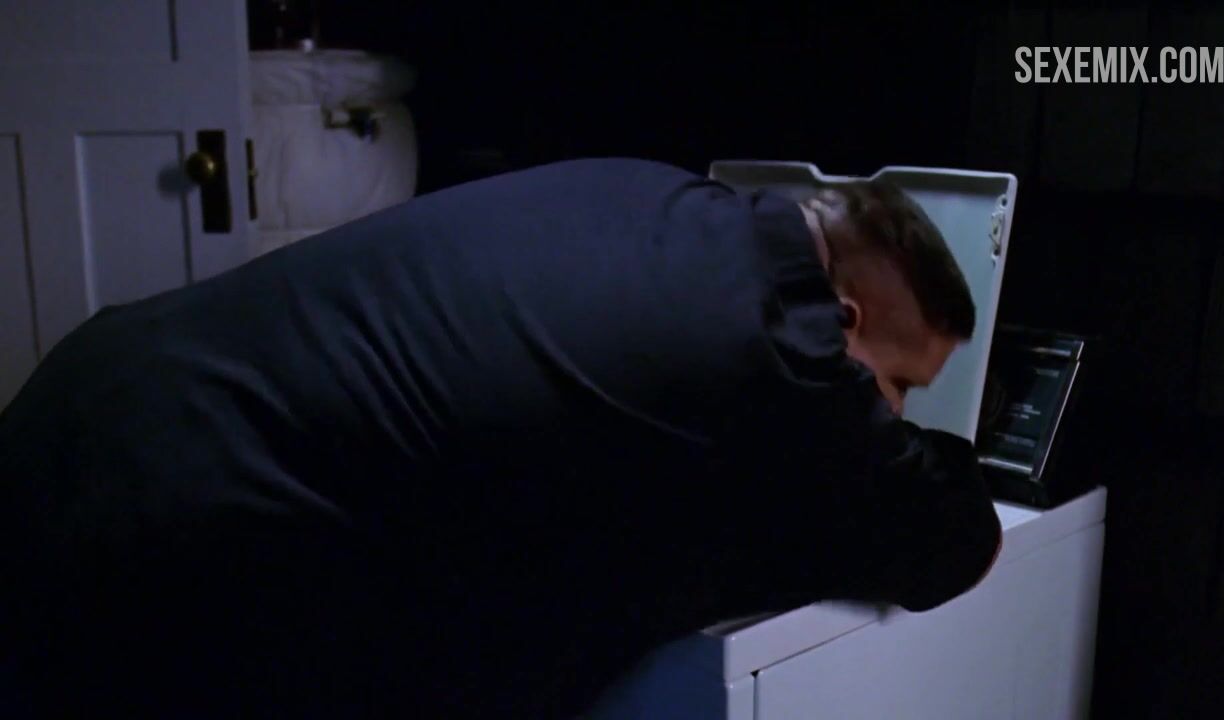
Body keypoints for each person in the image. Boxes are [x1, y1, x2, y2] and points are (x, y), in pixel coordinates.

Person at [0, 158, 1001, 718]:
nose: (893, 413)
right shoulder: (772, 344)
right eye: (900, 385)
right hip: (180, 527)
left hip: (96, 392)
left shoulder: (654, 195)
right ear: (845, 318)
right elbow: (945, 542)